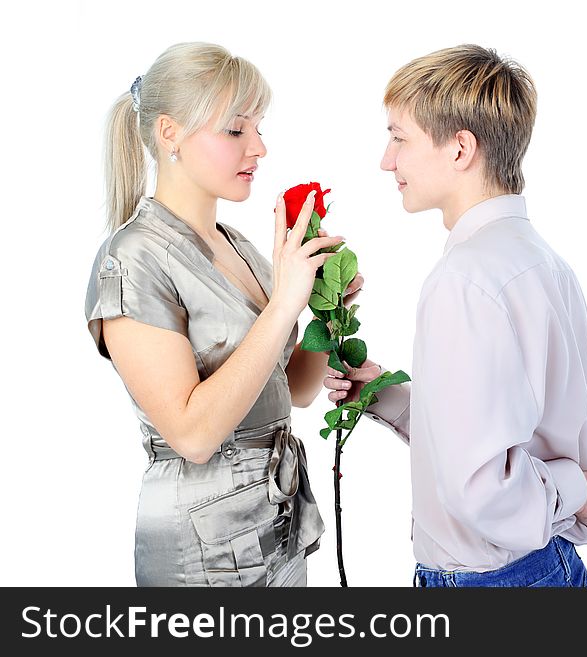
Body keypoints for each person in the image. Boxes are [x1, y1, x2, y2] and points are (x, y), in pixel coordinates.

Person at [324, 44, 587, 587]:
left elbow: (483, 485)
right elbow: (499, 430)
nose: (387, 160)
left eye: (399, 137)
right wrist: (383, 395)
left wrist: (581, 487)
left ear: (460, 149)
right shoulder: (543, 263)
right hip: (548, 566)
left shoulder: (464, 280)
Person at [85, 42, 360, 586]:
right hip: (203, 554)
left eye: (259, 127)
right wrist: (283, 306)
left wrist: (326, 311)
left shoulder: (238, 247)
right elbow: (192, 435)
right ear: (170, 134)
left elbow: (293, 390)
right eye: (236, 130)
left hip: (276, 529)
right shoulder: (132, 257)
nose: (258, 147)